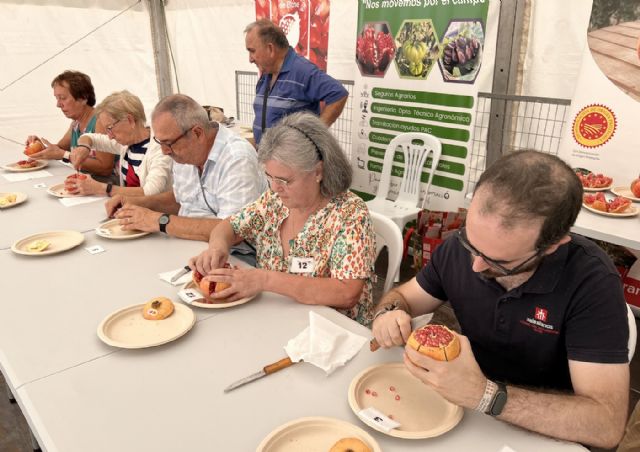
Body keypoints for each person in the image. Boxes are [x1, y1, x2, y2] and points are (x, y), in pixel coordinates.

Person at [371, 151, 629, 448]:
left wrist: (486, 396)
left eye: (500, 261)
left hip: (540, 432)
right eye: (472, 243)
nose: (476, 266)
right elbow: (402, 297)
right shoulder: (458, 248)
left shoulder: (592, 282)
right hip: (458, 411)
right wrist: (388, 313)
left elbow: (606, 425)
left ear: (553, 246)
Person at [191, 112, 376, 326]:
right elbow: (228, 227)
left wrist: (264, 279)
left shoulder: (350, 214)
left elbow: (346, 293)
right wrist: (217, 248)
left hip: (330, 332)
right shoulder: (274, 201)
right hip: (275, 320)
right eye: (269, 177)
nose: (275, 188)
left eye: (284, 180)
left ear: (318, 171)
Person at [104, 94, 266, 242]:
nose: (164, 151)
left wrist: (159, 221)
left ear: (197, 133)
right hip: (190, 245)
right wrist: (139, 203)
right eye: (160, 142)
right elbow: (182, 200)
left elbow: (233, 230)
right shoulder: (185, 149)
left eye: (168, 143)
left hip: (235, 255)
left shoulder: (236, 158)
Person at [244, 19, 348, 145]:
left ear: (270, 49)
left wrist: (315, 136)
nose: (250, 59)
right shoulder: (266, 75)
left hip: (293, 162)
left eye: (252, 51)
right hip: (267, 159)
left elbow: (338, 94)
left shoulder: (302, 70)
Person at [68, 90, 172, 197]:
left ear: (130, 120)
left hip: (154, 212)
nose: (110, 136)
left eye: (110, 128)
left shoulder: (160, 148)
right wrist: (83, 147)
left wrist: (100, 188)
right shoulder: (126, 143)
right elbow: (89, 137)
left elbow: (150, 192)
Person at [25, 70, 116, 179]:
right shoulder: (76, 124)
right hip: (85, 184)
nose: (58, 104)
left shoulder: (100, 121)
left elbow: (105, 168)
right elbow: (58, 149)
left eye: (63, 98)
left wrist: (64, 155)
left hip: (106, 189)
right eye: (57, 98)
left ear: (83, 98)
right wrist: (38, 147)